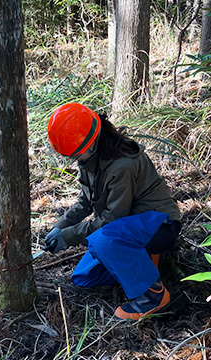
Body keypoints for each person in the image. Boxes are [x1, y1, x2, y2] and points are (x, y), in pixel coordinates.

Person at [44, 103, 182, 321]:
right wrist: (59, 228)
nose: (76, 160)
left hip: (159, 224)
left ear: (90, 145)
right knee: (84, 277)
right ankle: (144, 265)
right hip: (128, 227)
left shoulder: (122, 166)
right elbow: (85, 203)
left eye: (76, 154)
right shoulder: (91, 160)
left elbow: (112, 218)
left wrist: (69, 237)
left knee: (100, 241)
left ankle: (153, 296)